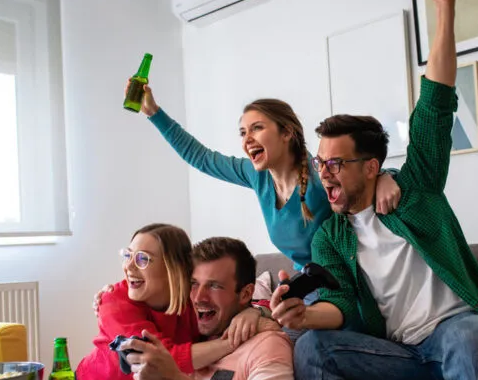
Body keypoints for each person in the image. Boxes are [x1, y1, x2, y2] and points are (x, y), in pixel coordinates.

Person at [266, 0, 478, 380]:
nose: (326, 175)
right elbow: (337, 305)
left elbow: (436, 102)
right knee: (312, 349)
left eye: (336, 163)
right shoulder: (329, 237)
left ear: (372, 166)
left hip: (460, 338)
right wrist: (302, 316)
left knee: (471, 335)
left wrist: (445, 11)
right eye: (321, 164)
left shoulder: (415, 188)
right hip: (399, 356)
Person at [130, 78, 403, 278]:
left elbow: (358, 175)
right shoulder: (256, 176)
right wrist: (153, 112)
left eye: (257, 128)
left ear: (286, 133)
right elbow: (200, 158)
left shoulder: (319, 172)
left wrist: (386, 177)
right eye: (242, 132)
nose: (247, 139)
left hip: (345, 284)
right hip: (304, 284)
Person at [120, 237, 295, 380]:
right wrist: (110, 296)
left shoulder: (266, 345)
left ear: (245, 294)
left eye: (214, 286)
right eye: (193, 283)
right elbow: (143, 287)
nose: (198, 297)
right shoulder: (187, 330)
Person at [76, 223, 276, 380]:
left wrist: (255, 312)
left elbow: (245, 301)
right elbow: (163, 361)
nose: (128, 267)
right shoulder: (114, 301)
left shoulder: (193, 298)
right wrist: (234, 340)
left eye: (143, 259)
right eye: (127, 255)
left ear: (174, 269)